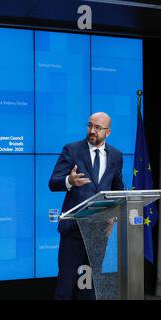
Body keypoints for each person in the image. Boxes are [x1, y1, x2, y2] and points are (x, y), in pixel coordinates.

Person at [49, 112, 124, 300]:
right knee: (65, 287)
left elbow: (116, 190)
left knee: (91, 290)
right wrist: (69, 180)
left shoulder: (116, 155)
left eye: (98, 128)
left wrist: (112, 217)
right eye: (90, 125)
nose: (92, 130)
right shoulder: (72, 150)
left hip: (99, 233)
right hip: (73, 231)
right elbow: (53, 182)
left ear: (108, 132)